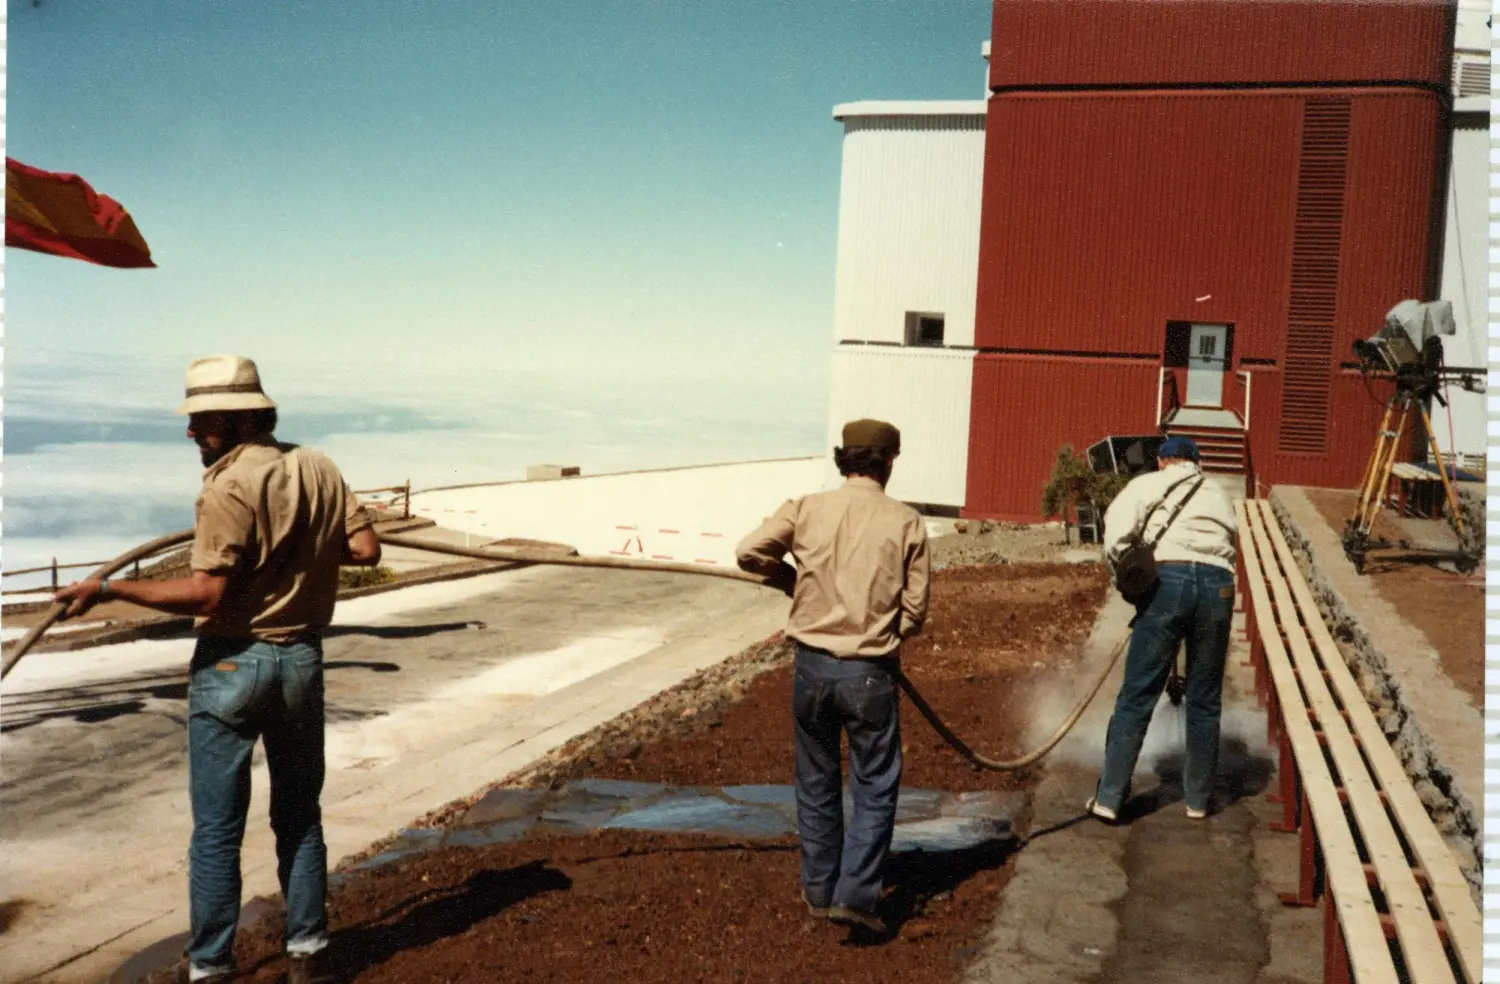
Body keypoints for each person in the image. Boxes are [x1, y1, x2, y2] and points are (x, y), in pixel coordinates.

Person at [54, 355, 381, 984]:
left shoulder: (226, 486)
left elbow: (207, 594)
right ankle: (309, 953)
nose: (191, 433)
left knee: (216, 832)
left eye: (202, 421)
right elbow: (366, 549)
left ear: (238, 418)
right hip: (300, 662)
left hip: (233, 663)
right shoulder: (318, 465)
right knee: (300, 816)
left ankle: (210, 967)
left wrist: (112, 590)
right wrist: (302, 549)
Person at [735, 418, 930, 934]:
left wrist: (792, 580)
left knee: (816, 778)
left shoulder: (806, 508)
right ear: (888, 462)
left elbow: (748, 552)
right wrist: (883, 632)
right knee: (874, 782)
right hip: (870, 672)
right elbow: (914, 612)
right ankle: (857, 896)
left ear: (845, 459)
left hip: (811, 669)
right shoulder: (907, 522)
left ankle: (820, 891)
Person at [1088, 435, 1238, 823]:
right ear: (1197, 463)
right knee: (1204, 700)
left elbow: (1116, 535)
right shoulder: (1218, 492)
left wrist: (1132, 582)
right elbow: (1229, 542)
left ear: (1162, 461)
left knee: (1137, 695)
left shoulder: (1146, 484)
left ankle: (1109, 797)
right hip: (1218, 587)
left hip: (1168, 582)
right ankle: (1199, 801)